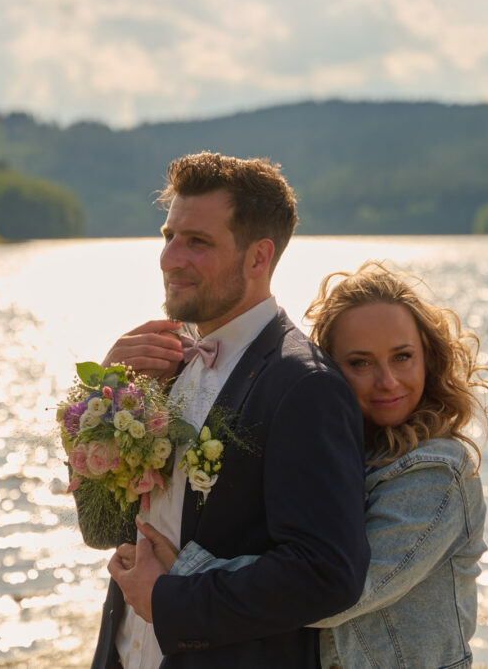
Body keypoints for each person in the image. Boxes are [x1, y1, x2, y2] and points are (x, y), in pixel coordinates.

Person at [120, 261, 488, 668]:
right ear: (330, 370)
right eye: (361, 363)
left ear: (428, 358)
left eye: (402, 357)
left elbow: (337, 592)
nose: (387, 381)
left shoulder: (438, 471)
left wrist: (182, 570)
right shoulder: (330, 449)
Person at [76, 151, 370, 668]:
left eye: (197, 242)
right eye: (168, 237)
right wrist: (99, 402)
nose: (170, 259)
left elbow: (326, 575)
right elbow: (102, 532)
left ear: (258, 258)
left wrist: (169, 602)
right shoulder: (159, 367)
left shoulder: (304, 387)